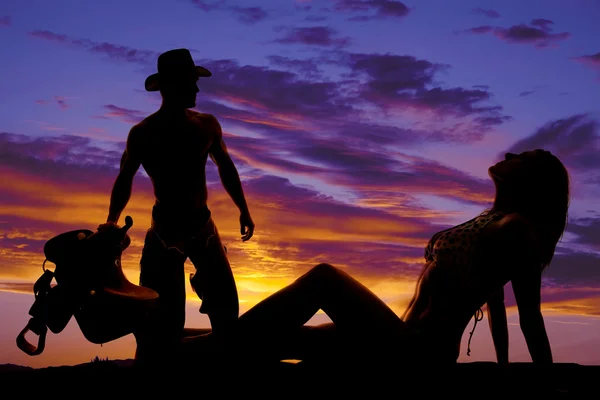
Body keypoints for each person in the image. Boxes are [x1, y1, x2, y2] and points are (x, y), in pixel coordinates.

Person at [178, 149, 569, 366]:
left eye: (524, 157)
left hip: (418, 350)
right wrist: (501, 367)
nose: (511, 152)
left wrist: (546, 385)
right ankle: (183, 348)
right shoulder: (492, 220)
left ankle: (195, 351)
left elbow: (530, 319)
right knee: (291, 339)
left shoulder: (515, 229)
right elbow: (495, 303)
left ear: (531, 180)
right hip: (400, 335)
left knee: (325, 278)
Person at [100, 48, 255, 363]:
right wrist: (112, 221)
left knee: (226, 310)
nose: (197, 90)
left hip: (204, 229)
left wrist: (244, 209)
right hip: (164, 234)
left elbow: (226, 167)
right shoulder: (143, 134)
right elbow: (124, 178)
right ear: (171, 87)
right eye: (190, 82)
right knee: (162, 325)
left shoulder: (206, 125)